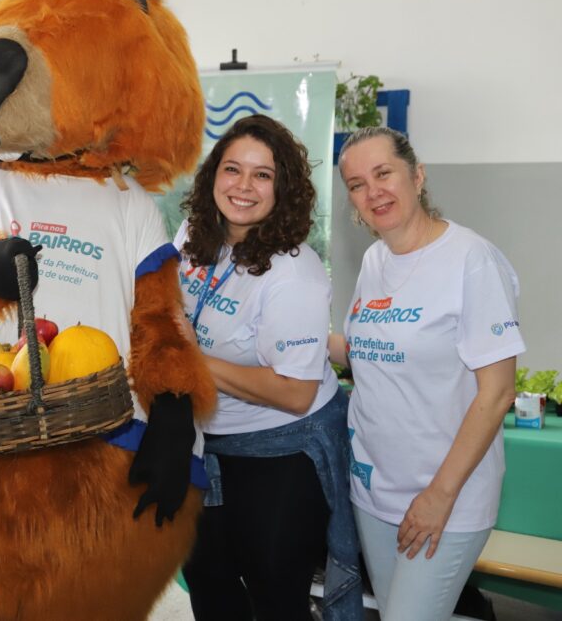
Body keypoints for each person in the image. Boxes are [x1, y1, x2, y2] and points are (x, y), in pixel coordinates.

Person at [329, 127, 524, 621]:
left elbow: (498, 393)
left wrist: (440, 496)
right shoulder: (374, 261)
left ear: (417, 176)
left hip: (445, 497)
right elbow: (366, 353)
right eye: (357, 184)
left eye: (383, 173)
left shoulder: (471, 259)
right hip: (374, 491)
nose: (373, 192)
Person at [176, 114, 362, 621]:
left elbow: (295, 392)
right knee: (208, 583)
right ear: (213, 174)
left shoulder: (293, 272)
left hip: (282, 449)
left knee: (275, 595)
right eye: (232, 169)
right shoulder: (194, 234)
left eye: (262, 175)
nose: (243, 186)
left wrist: (191, 359)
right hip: (207, 441)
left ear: (283, 189)